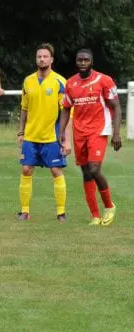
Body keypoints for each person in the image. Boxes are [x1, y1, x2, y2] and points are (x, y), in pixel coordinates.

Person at [59, 49, 123, 226]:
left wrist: (116, 133)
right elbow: (65, 108)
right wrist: (62, 132)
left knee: (95, 169)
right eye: (80, 60)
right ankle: (95, 216)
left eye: (86, 60)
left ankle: (109, 207)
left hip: (98, 129)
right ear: (76, 62)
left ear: (92, 62)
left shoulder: (104, 80)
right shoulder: (71, 83)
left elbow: (116, 107)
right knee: (86, 173)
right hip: (79, 131)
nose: (82, 63)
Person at [16, 43, 69, 222]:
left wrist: (65, 137)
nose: (42, 59)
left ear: (51, 59)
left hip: (52, 136)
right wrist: (20, 132)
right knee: (26, 169)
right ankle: (24, 211)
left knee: (55, 171)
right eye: (39, 56)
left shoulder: (60, 82)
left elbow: (67, 112)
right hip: (31, 135)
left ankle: (61, 213)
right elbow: (24, 109)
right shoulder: (28, 81)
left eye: (45, 56)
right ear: (36, 59)